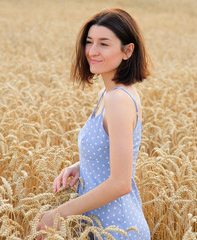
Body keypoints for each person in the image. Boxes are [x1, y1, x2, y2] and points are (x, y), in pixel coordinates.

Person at [37, 8, 152, 239]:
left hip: (117, 230)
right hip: (99, 227)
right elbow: (113, 152)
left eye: (104, 44)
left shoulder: (118, 99)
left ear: (128, 51)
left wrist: (58, 214)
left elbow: (121, 183)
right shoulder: (108, 94)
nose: (92, 51)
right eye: (89, 42)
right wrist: (82, 165)